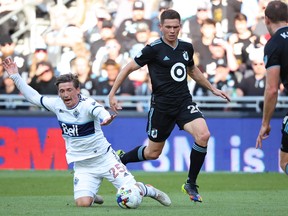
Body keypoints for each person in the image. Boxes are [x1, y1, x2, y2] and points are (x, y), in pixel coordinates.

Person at [2, 56, 171, 207]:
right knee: (82, 204)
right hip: (83, 165)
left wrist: (106, 118)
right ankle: (90, 195)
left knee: (131, 197)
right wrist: (15, 76)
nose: (66, 94)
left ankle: (148, 189)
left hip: (105, 159)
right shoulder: (57, 105)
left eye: (69, 90)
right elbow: (33, 97)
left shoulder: (87, 104)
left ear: (77, 90)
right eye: (62, 91)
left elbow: (100, 111)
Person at [108, 9, 230, 202]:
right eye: (168, 27)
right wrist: (112, 93)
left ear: (180, 27)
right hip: (162, 107)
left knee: (203, 135)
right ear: (161, 27)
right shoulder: (153, 49)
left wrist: (212, 88)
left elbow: (192, 69)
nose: (172, 31)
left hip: (183, 102)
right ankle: (122, 159)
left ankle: (190, 183)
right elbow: (129, 67)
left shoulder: (186, 47)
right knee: (152, 153)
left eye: (176, 27)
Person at [256, 0, 288, 175]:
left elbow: (272, 89)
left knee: (285, 161)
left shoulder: (274, 44)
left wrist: (265, 123)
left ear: (266, 20)